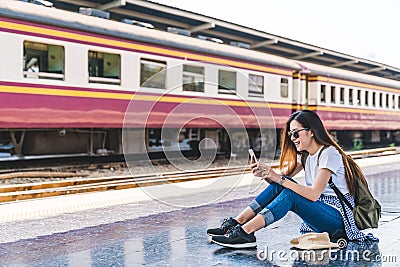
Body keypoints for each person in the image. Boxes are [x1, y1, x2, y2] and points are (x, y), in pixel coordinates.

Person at [207, 110, 378, 248]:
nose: (292, 139)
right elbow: (280, 185)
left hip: (340, 221)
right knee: (281, 187)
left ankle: (246, 232)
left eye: (296, 133)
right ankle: (237, 223)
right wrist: (266, 175)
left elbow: (313, 195)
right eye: (290, 135)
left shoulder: (329, 153)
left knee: (290, 192)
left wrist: (277, 177)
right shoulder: (306, 157)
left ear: (311, 132)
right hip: (323, 212)